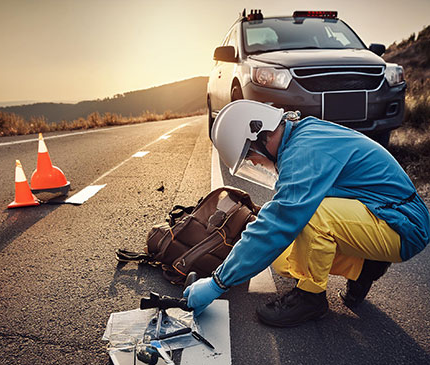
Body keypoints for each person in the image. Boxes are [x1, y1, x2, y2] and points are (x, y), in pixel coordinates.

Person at [183, 100, 430, 327]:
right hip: (379, 213)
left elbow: (279, 221)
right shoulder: (301, 134)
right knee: (282, 258)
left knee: (310, 216)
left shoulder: (303, 151)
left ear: (261, 135)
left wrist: (218, 283)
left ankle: (310, 298)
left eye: (249, 156)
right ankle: (364, 267)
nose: (255, 164)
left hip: (403, 224)